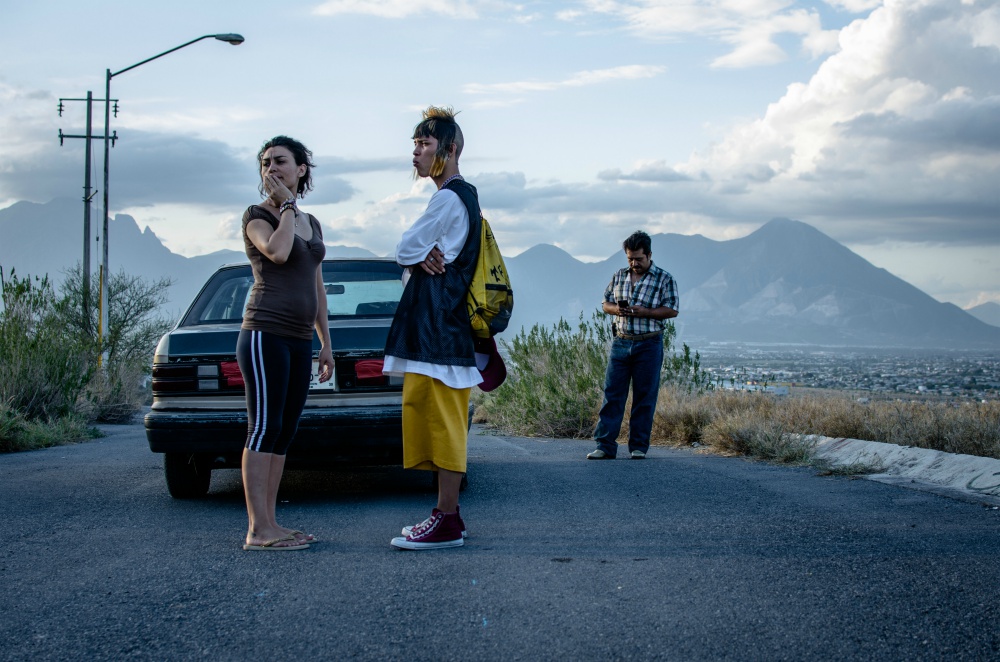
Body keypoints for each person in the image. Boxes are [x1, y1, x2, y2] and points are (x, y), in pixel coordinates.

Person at [383, 106, 485, 550]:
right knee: (439, 421)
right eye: (415, 145)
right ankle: (446, 516)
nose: (416, 153)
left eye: (424, 144)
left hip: (439, 331)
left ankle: (447, 520)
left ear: (451, 149)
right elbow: (414, 252)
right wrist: (419, 255)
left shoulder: (447, 198)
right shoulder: (463, 196)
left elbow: (405, 246)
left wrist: (416, 254)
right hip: (442, 329)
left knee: (444, 425)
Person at [237, 136, 333, 551]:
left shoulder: (311, 221)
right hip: (264, 333)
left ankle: (272, 523)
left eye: (279, 161)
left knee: (284, 431)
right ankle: (257, 530)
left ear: (301, 169)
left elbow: (316, 285)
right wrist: (287, 208)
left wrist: (325, 343)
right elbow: (277, 252)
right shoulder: (257, 215)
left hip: (298, 339)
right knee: (264, 427)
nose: (271, 169)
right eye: (265, 163)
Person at [588, 230, 679, 460]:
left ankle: (638, 447)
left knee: (644, 397)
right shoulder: (619, 275)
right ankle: (604, 446)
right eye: (630, 258)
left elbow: (672, 309)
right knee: (612, 395)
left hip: (649, 344)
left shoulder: (664, 278)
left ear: (649, 255)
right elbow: (605, 303)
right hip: (621, 342)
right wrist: (617, 310)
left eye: (638, 259)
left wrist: (645, 312)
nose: (634, 263)